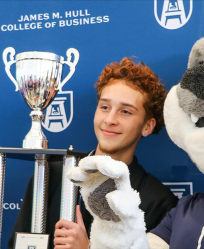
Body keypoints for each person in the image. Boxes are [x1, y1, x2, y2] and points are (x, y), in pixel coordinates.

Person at [8, 57, 179, 249]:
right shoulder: (50, 175)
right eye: (105, 107)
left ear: (147, 126)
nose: (110, 120)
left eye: (125, 112)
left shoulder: (159, 201)